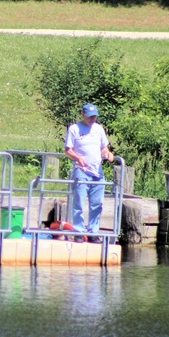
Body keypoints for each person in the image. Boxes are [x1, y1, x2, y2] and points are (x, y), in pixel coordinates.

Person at [64, 103, 115, 243]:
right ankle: (79, 232)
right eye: (90, 116)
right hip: (81, 171)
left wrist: (108, 154)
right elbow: (68, 149)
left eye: (94, 116)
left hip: (97, 171)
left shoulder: (98, 129)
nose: (92, 119)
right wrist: (78, 158)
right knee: (79, 202)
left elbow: (104, 148)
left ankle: (93, 232)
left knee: (97, 204)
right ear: (83, 115)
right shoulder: (74, 129)